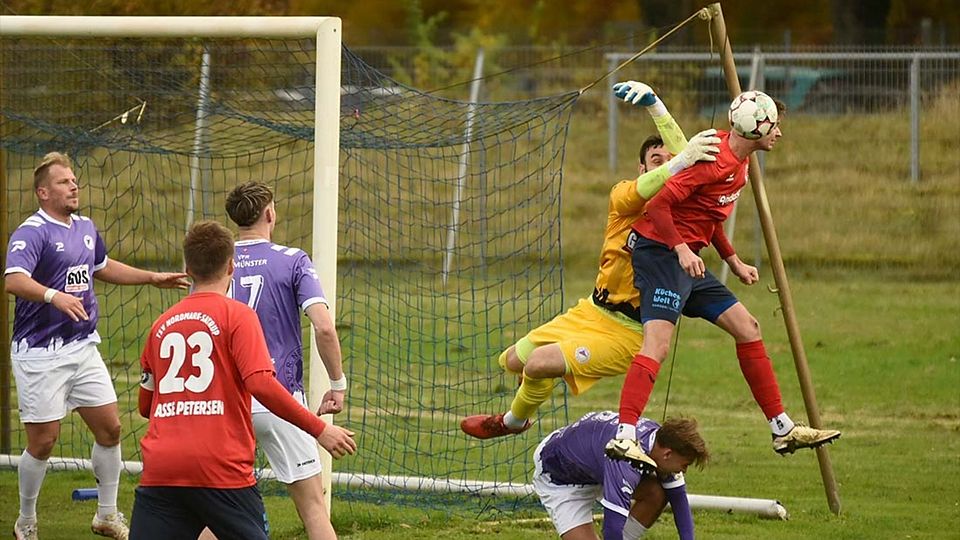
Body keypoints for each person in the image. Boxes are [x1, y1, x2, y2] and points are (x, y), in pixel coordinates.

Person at [460, 81, 719, 452]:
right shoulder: (625, 196)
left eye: (669, 159)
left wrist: (657, 107)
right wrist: (679, 160)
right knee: (513, 360)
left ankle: (512, 422)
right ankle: (533, 397)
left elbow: (691, 158)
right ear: (641, 168)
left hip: (631, 330)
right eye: (655, 161)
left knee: (537, 364)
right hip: (592, 310)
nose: (665, 165)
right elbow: (675, 165)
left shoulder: (682, 209)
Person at [607, 91, 841, 469]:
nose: (779, 133)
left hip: (687, 258)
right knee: (658, 345)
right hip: (662, 254)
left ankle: (781, 428)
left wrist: (733, 261)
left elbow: (709, 214)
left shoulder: (742, 161)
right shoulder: (712, 162)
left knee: (748, 327)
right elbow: (657, 205)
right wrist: (682, 250)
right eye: (775, 126)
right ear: (756, 127)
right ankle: (625, 436)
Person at [129, 220, 357, 540]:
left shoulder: (161, 324)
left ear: (187, 268)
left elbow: (145, 406)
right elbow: (261, 384)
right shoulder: (237, 316)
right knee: (310, 507)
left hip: (162, 467)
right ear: (231, 266)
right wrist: (321, 429)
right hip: (220, 466)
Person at [5, 152, 190, 540]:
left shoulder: (85, 226)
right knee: (44, 442)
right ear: (43, 192)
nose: (74, 185)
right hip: (40, 353)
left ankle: (106, 515)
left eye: (74, 180)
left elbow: (102, 267)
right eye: (63, 181)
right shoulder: (31, 231)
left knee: (110, 429)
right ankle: (26, 521)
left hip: (83, 347)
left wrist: (151, 277)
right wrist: (55, 296)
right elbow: (14, 279)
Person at [222, 181, 347, 539]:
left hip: (226, 401)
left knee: (216, 513)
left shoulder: (217, 261)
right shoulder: (293, 260)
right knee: (313, 508)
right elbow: (324, 328)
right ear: (270, 214)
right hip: (279, 399)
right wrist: (337, 384)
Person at [533, 410, 708, 540]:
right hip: (559, 476)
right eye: (684, 465)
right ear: (668, 454)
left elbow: (678, 499)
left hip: (593, 464)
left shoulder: (659, 440)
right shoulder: (624, 462)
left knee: (658, 492)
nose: (683, 471)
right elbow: (612, 529)